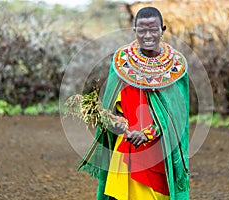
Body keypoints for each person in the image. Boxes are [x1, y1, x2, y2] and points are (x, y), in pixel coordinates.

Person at [77, 7, 190, 200]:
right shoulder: (121, 63)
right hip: (125, 150)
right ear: (134, 30)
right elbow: (111, 107)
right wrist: (116, 123)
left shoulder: (176, 67)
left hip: (158, 154)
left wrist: (147, 134)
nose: (147, 35)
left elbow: (176, 118)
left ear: (162, 30)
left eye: (153, 30)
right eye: (142, 30)